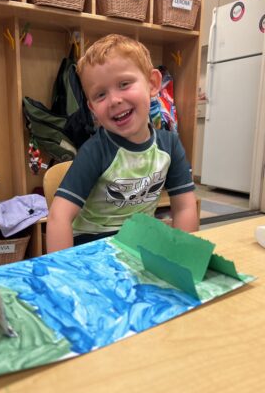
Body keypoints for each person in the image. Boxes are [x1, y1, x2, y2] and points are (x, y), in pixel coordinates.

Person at [46, 34, 198, 253]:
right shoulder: (95, 150)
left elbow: (184, 207)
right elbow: (58, 216)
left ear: (153, 83)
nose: (115, 100)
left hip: (141, 245)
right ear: (92, 109)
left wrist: (182, 257)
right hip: (92, 247)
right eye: (100, 95)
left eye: (124, 84)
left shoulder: (170, 145)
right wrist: (62, 274)